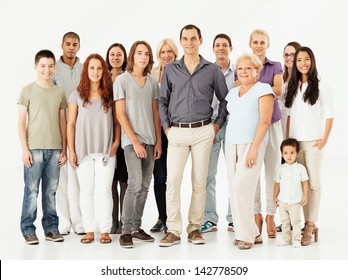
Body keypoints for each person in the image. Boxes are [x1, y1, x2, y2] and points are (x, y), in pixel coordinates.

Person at [158, 24, 228, 247]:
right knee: (173, 182)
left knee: (199, 183)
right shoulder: (170, 70)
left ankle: (195, 228)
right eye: (185, 39)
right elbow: (162, 101)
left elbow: (225, 100)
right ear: (181, 41)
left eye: (193, 39)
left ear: (200, 40)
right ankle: (173, 230)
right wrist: (167, 128)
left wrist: (216, 125)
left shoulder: (212, 69)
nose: (189, 42)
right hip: (177, 132)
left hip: (203, 132)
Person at [67, 53, 119, 244]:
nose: (95, 72)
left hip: (106, 150)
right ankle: (89, 229)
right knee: (86, 191)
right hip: (83, 151)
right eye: (91, 68)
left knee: (104, 191)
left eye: (99, 68)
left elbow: (117, 122)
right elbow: (70, 124)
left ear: (103, 71)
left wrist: (116, 142)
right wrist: (72, 150)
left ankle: (104, 230)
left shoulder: (110, 95)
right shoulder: (76, 95)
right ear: (86, 70)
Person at [114, 41, 161, 248]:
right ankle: (125, 230)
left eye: (147, 54)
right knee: (134, 183)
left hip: (151, 140)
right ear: (132, 56)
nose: (143, 57)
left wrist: (158, 140)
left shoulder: (152, 82)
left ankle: (136, 226)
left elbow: (155, 113)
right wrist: (134, 141)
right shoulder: (122, 81)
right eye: (140, 53)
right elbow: (120, 114)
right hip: (132, 142)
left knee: (144, 186)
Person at [285, 46, 334, 246]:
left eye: (306, 59)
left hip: (313, 142)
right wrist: (287, 141)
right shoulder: (291, 86)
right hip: (295, 143)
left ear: (312, 61)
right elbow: (288, 116)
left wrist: (324, 140)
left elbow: (330, 115)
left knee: (313, 184)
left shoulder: (322, 86)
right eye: (299, 60)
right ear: (295, 64)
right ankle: (304, 224)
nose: (303, 63)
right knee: (299, 184)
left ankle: (310, 223)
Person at [225, 53, 274, 250]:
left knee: (240, 188)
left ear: (257, 71)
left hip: (252, 144)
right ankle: (253, 231)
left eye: (248, 68)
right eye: (240, 68)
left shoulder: (263, 89)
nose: (243, 72)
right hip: (231, 144)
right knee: (234, 189)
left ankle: (245, 236)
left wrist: (254, 148)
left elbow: (264, 121)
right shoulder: (233, 92)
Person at [18, 49, 67, 244]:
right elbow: (21, 122)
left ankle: (51, 229)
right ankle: (28, 229)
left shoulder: (59, 92)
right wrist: (24, 149)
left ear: (54, 67)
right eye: (43, 66)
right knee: (32, 190)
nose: (47, 70)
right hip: (34, 148)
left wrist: (64, 148)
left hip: (55, 149)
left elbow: (63, 121)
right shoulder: (27, 90)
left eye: (50, 66)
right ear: (36, 66)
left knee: (50, 191)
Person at [248, 29, 283, 238]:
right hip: (251, 126)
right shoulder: (243, 64)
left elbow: (278, 89)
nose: (259, 45)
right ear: (250, 44)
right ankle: (256, 214)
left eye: (262, 42)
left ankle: (271, 214)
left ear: (267, 44)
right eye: (255, 42)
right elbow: (237, 89)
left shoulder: (275, 66)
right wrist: (265, 90)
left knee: (272, 170)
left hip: (272, 124)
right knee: (252, 172)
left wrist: (253, 90)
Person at [201, 33, 235, 233]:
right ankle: (210, 219)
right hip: (211, 127)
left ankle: (234, 218)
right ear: (213, 49)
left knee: (234, 174)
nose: (221, 48)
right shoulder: (208, 71)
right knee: (207, 175)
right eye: (218, 45)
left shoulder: (238, 72)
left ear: (231, 48)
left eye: (225, 45)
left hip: (233, 127)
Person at [53, 31, 85, 235]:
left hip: (81, 129)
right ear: (62, 45)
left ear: (79, 47)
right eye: (68, 44)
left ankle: (79, 221)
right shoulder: (53, 68)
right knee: (61, 178)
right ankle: (64, 221)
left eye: (75, 44)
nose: (71, 47)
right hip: (58, 128)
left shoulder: (84, 68)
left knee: (78, 178)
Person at [150, 38, 178, 233]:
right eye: (163, 52)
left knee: (174, 178)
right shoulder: (152, 75)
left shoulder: (182, 72)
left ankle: (176, 219)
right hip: (157, 131)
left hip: (177, 130)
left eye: (170, 52)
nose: (166, 55)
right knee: (160, 177)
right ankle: (163, 217)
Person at [276, 41, 301, 233]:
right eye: (286, 54)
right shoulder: (281, 77)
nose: (288, 58)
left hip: (296, 132)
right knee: (283, 177)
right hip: (280, 131)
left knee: (297, 177)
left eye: (292, 54)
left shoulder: (303, 80)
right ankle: (283, 219)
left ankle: (298, 220)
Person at [106, 43, 129, 234]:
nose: (115, 57)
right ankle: (112, 221)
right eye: (112, 54)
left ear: (124, 57)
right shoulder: (103, 77)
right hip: (106, 135)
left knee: (125, 180)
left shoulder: (127, 77)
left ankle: (124, 221)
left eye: (119, 54)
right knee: (110, 181)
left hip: (125, 134)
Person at [273, 138, 309, 248]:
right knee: (284, 221)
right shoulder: (280, 169)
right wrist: (275, 196)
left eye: (292, 153)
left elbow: (305, 183)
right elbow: (277, 183)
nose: (289, 156)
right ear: (282, 154)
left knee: (296, 221)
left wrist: (305, 196)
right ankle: (286, 239)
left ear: (297, 154)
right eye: (286, 153)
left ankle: (296, 239)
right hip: (283, 200)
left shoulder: (300, 168)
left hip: (295, 201)